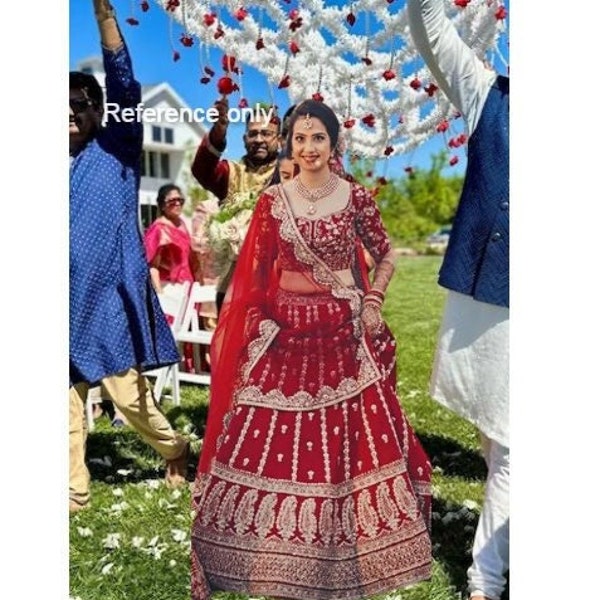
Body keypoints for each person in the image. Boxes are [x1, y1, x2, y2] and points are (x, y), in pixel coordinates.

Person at [190, 99, 432, 599]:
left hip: (341, 328)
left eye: (317, 138)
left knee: (345, 442)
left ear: (333, 143)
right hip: (286, 330)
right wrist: (256, 322)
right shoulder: (273, 201)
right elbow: (257, 274)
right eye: (299, 139)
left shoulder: (355, 197)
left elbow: (384, 252)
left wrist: (373, 299)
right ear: (289, 144)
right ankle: (263, 548)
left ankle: (342, 540)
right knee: (260, 433)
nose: (308, 148)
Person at [69, 0, 189, 514]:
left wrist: (105, 21)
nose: (69, 113)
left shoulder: (117, 144)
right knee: (65, 399)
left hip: (108, 297)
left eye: (79, 104)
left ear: (98, 110)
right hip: (64, 299)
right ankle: (73, 489)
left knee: (125, 395)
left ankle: (177, 449)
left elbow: (124, 84)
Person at [407, 2, 509, 599]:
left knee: (515, 439)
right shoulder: (485, 90)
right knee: (497, 437)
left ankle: (485, 577)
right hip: (484, 294)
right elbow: (431, 31)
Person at [190, 97, 281, 313]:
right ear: (244, 138)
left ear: (280, 139)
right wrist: (219, 129)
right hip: (234, 287)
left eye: (266, 133)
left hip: (278, 287)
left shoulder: (290, 173)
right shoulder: (231, 172)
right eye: (253, 133)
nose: (259, 139)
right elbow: (202, 170)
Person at [144, 183, 203, 296]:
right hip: (168, 288)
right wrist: (159, 295)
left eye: (180, 200)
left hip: (187, 287)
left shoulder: (182, 223)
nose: (177, 204)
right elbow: (152, 267)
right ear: (162, 205)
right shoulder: (159, 229)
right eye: (172, 201)